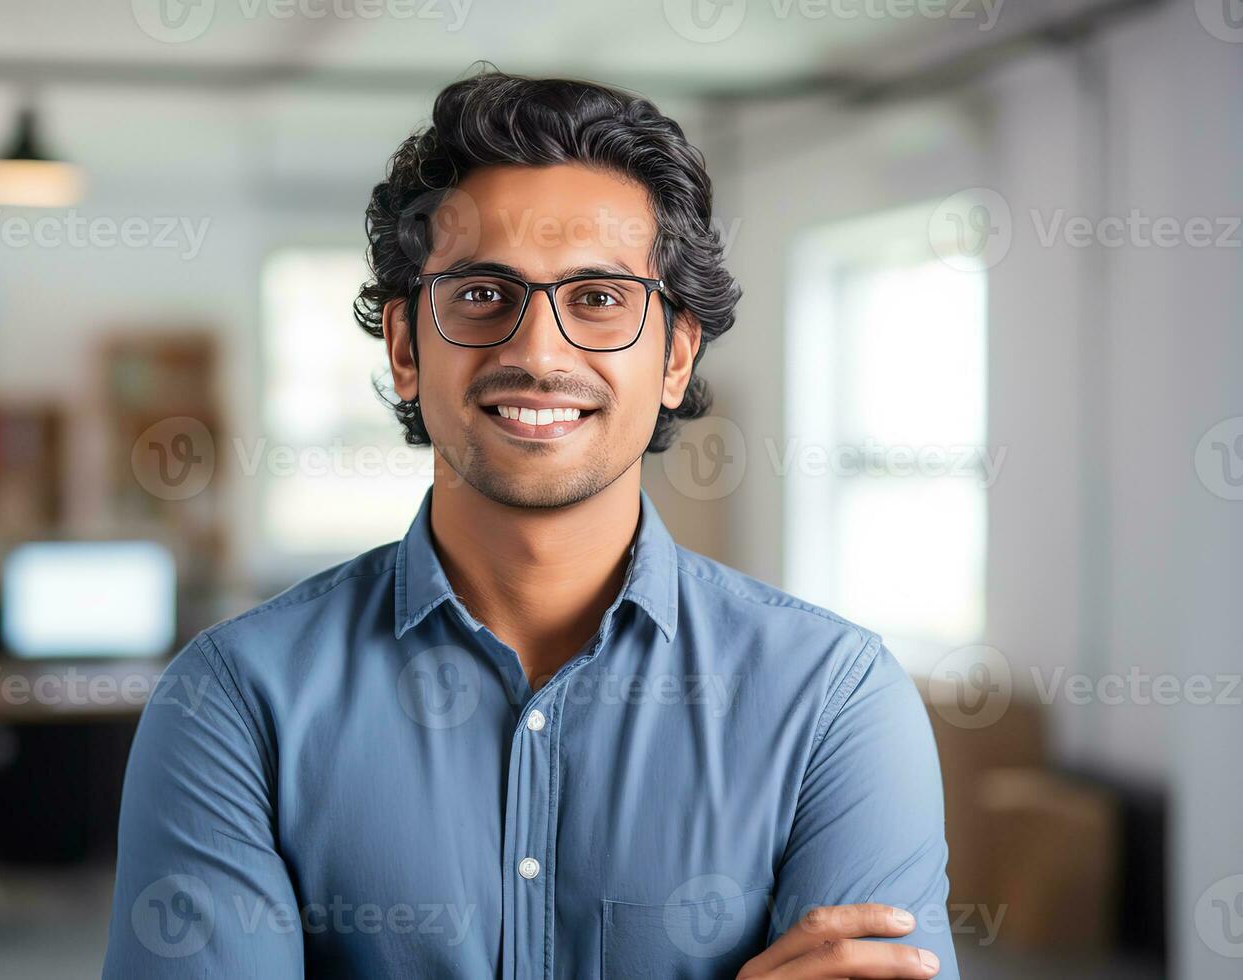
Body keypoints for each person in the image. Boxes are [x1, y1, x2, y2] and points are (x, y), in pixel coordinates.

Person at [104, 69, 958, 979]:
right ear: (404, 349)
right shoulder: (235, 703)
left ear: (674, 357)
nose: (538, 351)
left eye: (598, 299)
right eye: (481, 295)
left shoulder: (833, 703)